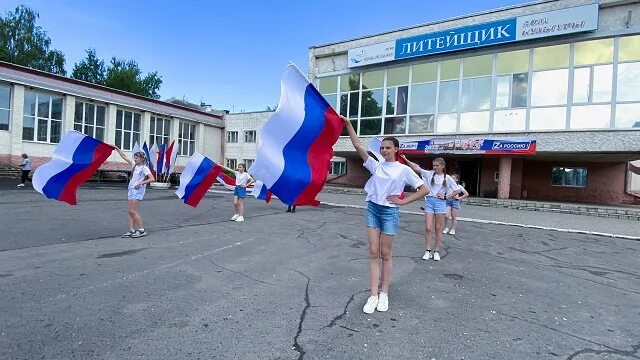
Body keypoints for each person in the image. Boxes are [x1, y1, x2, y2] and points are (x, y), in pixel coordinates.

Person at [342, 115, 430, 314]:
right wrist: (348, 124)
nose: (384, 150)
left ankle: (384, 294)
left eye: (388, 147)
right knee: (373, 252)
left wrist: (404, 201)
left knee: (386, 254)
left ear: (396, 149)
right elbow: (357, 145)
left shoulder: (403, 170)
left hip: (390, 212)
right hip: (373, 208)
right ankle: (373, 295)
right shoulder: (376, 165)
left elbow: (424, 189)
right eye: (382, 147)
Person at [401, 155, 459, 262]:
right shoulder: (429, 174)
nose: (435, 167)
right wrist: (405, 159)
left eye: (437, 165)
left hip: (440, 203)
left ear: (442, 166)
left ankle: (436, 252)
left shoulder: (448, 178)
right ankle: (427, 250)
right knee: (428, 227)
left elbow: (457, 190)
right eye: (433, 165)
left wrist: (446, 196)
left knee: (438, 229)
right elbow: (416, 167)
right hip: (429, 201)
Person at [116, 148, 154, 238]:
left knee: (133, 211)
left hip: (138, 190)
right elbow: (124, 156)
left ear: (141, 159)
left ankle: (142, 230)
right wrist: (116, 148)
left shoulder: (144, 168)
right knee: (130, 211)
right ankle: (131, 230)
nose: (134, 159)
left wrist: (140, 183)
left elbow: (152, 179)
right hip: (131, 189)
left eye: (136, 158)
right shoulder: (134, 165)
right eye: (134, 157)